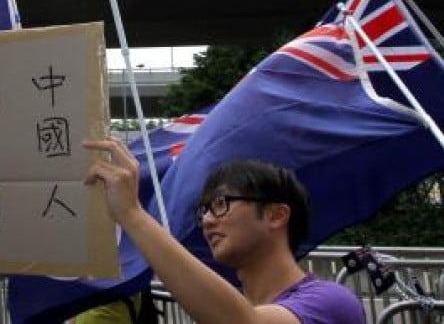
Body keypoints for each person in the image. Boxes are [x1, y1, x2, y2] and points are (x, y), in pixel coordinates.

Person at [83, 137, 366, 324]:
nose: (207, 220)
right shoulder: (232, 307)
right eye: (204, 209)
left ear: (276, 215)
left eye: (221, 203)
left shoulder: (331, 303)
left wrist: (133, 215)